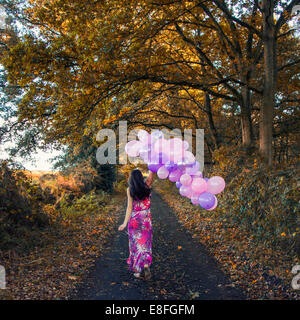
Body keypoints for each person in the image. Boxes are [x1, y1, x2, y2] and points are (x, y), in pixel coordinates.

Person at [118, 169, 154, 279]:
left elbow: (129, 207)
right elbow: (152, 172)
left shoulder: (130, 189)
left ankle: (138, 271)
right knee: (145, 244)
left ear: (131, 179)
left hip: (135, 220)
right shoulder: (147, 185)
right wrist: (152, 162)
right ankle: (146, 265)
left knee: (136, 245)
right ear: (140, 177)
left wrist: (124, 223)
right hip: (146, 219)